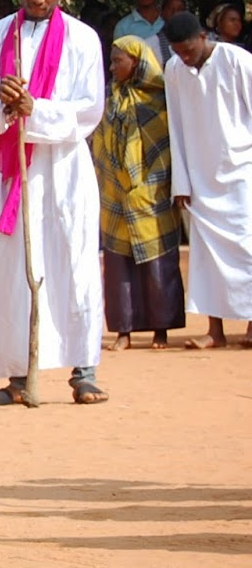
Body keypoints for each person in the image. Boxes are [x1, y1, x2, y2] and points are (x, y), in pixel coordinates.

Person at [0, 0, 107, 405]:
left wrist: (36, 110)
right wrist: (3, 105)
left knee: (74, 265)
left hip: (63, 169)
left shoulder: (83, 39)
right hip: (14, 172)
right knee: (12, 272)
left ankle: (83, 371)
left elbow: (90, 108)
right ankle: (17, 378)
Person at [161, 12, 252, 348]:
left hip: (242, 172)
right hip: (200, 177)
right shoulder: (174, 69)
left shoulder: (238, 61)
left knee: (247, 248)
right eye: (178, 52)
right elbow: (176, 126)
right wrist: (181, 181)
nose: (184, 57)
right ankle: (215, 330)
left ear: (203, 36)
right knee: (206, 257)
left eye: (188, 50)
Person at [92, 35, 185, 350]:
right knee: (119, 266)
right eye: (112, 60)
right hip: (114, 192)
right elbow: (100, 143)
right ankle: (124, 331)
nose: (112, 67)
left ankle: (161, 329)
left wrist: (147, 186)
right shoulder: (110, 98)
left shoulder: (159, 100)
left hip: (152, 193)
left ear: (137, 62)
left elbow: (166, 149)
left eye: (118, 60)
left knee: (159, 263)